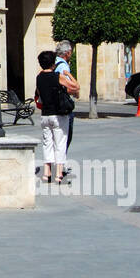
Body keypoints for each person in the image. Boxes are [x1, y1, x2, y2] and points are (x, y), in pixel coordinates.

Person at [34, 50, 69, 184]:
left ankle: (46, 173)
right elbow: (74, 87)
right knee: (59, 143)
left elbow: (38, 93)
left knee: (47, 143)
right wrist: (69, 75)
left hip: (45, 115)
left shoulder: (39, 77)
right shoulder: (57, 76)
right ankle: (58, 174)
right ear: (53, 63)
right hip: (58, 114)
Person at [53, 40, 80, 163]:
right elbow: (69, 88)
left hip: (53, 106)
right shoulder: (63, 66)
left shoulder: (53, 63)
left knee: (55, 140)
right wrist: (75, 90)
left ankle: (55, 165)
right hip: (64, 106)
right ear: (67, 53)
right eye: (70, 52)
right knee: (65, 138)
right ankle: (60, 165)